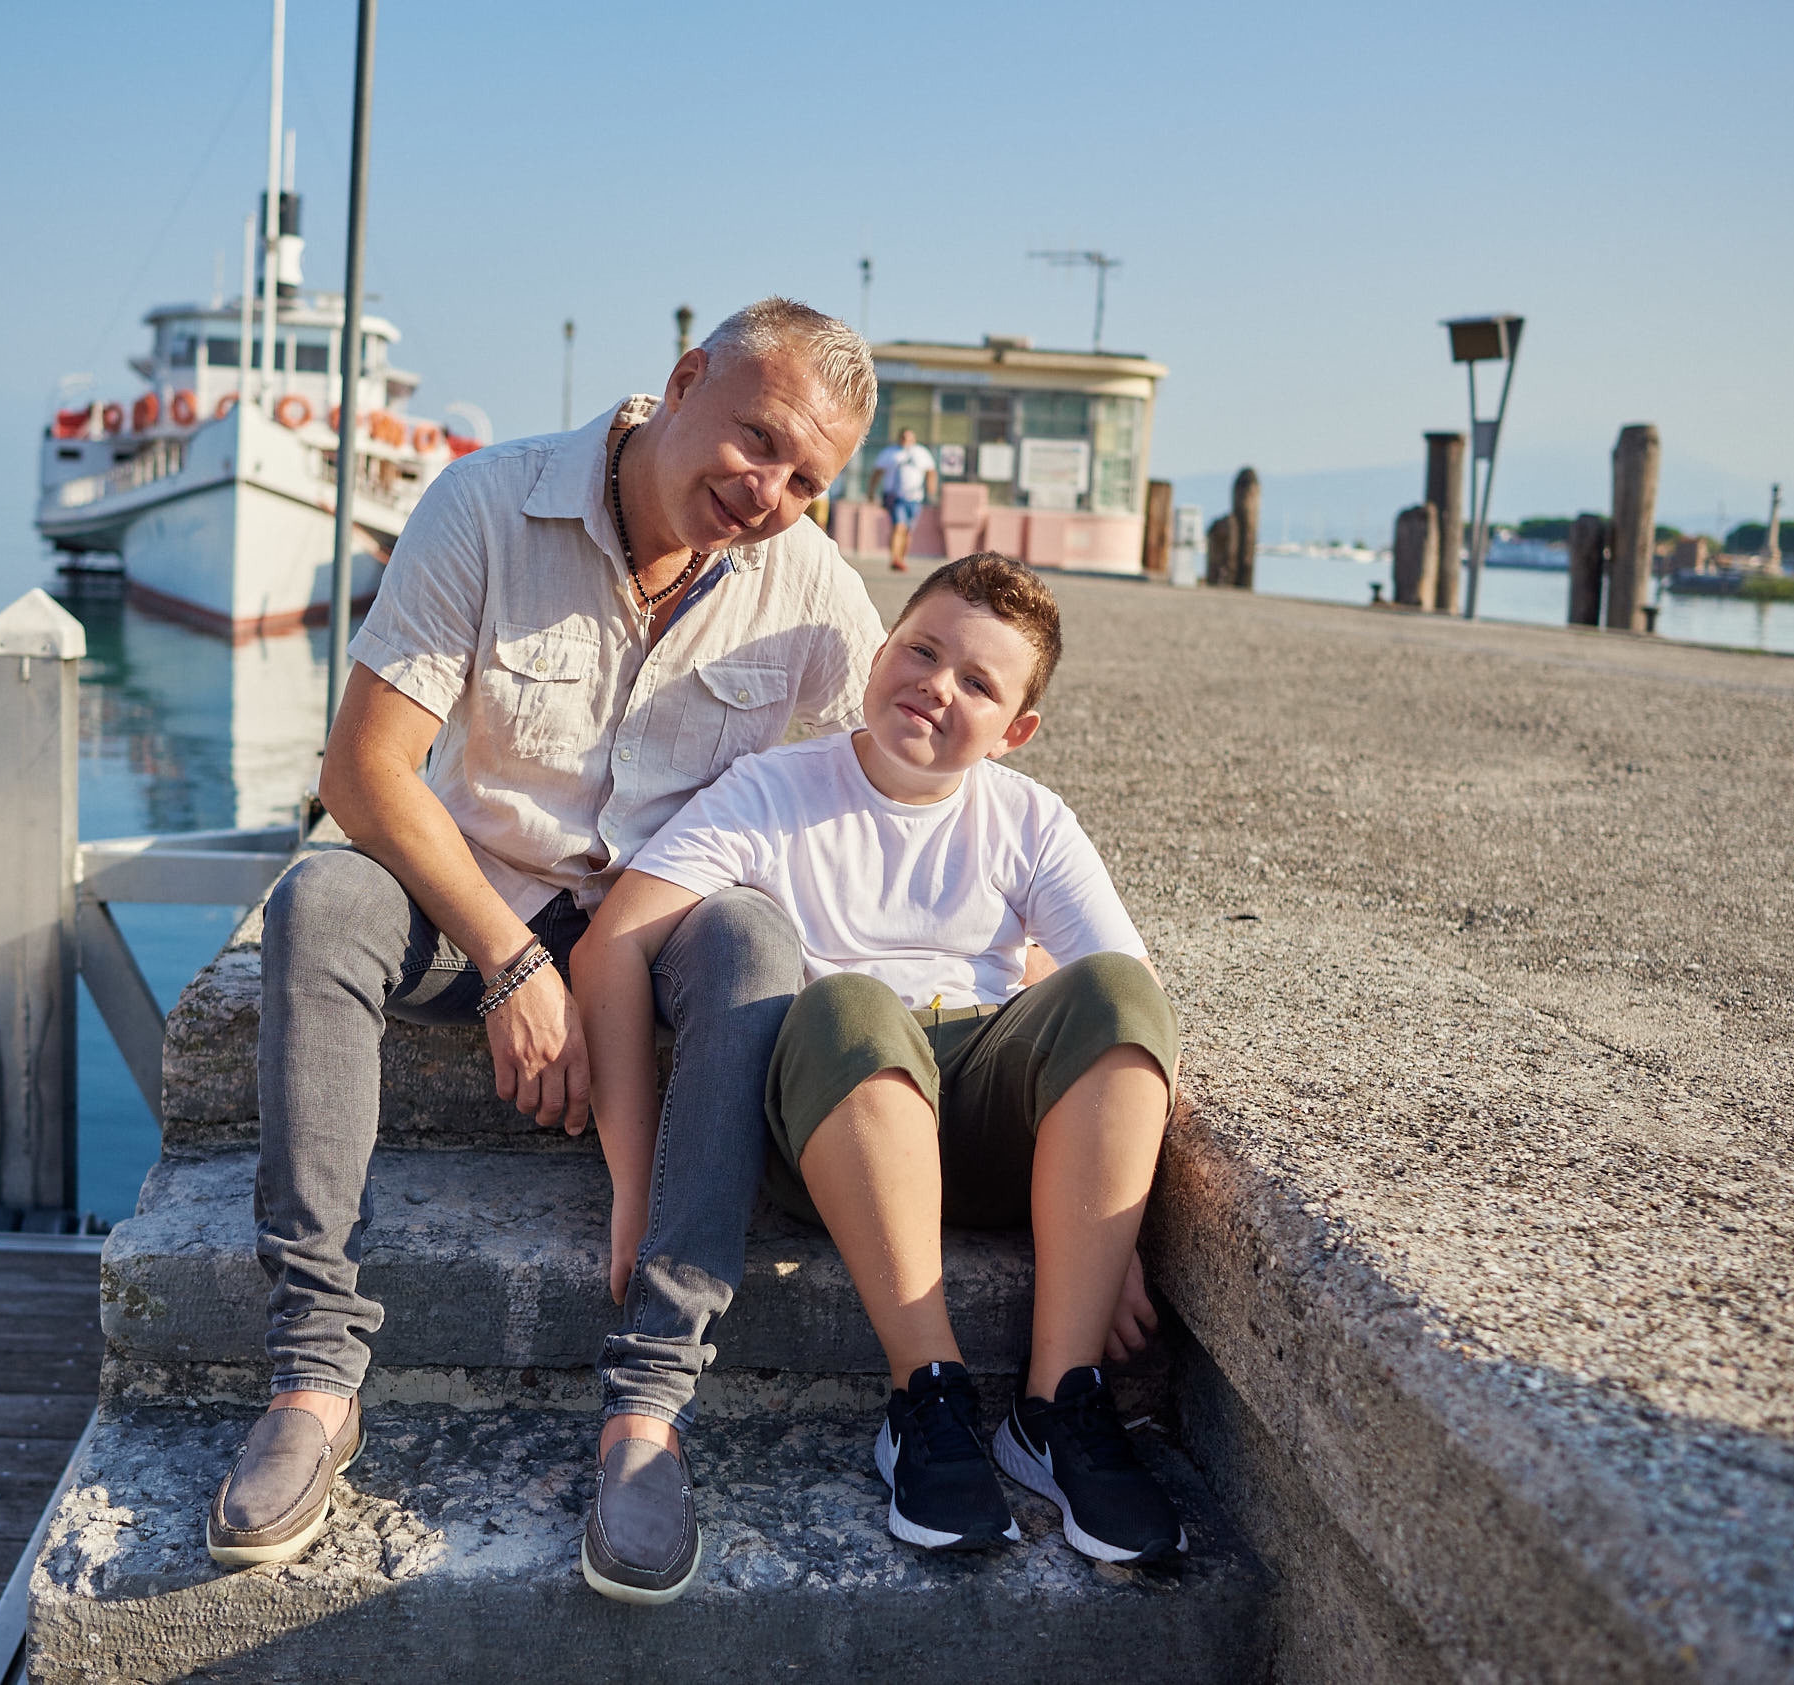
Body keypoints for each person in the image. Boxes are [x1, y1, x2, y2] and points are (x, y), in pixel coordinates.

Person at [204, 300, 886, 1607]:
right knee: (322, 908)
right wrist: (516, 960)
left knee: (753, 940)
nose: (773, 491)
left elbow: (894, 786)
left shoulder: (811, 586)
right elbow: (365, 772)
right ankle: (314, 1377)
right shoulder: (487, 504)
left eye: (809, 478)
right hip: (477, 890)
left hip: (662, 919)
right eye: (757, 440)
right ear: (682, 379)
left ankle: (648, 1411)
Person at [572, 553, 1186, 1565]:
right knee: (852, 1000)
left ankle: (1054, 1407)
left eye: (979, 683)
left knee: (1123, 992)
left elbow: (1119, 1020)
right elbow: (614, 945)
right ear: (882, 647)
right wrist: (635, 1182)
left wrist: (1105, 1233)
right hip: (837, 1118)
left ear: (1014, 729)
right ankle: (926, 1395)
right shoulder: (770, 791)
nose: (937, 686)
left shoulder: (1028, 819)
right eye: (922, 649)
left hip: (983, 1122)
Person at [873, 427, 937, 572]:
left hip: (915, 498)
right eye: (903, 438)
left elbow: (931, 472)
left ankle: (901, 558)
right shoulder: (890, 453)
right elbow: (877, 472)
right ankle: (894, 558)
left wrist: (931, 490)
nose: (906, 441)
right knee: (898, 527)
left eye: (909, 438)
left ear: (914, 439)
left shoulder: (921, 453)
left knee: (907, 531)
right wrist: (872, 492)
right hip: (895, 497)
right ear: (899, 438)